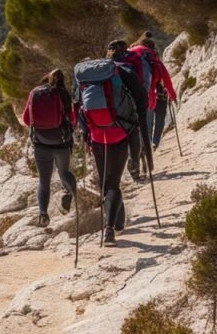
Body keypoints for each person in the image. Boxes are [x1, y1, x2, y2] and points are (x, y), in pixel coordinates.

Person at [74, 43, 150, 247]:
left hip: (97, 136)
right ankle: (110, 228)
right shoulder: (122, 72)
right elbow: (141, 96)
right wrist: (141, 118)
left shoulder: (84, 80)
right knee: (114, 182)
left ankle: (117, 223)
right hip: (120, 133)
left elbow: (78, 108)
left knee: (105, 184)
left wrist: (86, 134)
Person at [21, 70, 77, 228]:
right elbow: (72, 120)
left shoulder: (34, 93)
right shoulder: (63, 94)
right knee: (64, 172)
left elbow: (26, 119)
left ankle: (43, 215)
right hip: (61, 142)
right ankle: (73, 196)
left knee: (43, 181)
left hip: (40, 143)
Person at [128, 32, 178, 149]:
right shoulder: (151, 56)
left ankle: (144, 146)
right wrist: (173, 96)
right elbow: (166, 78)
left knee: (144, 122)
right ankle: (153, 143)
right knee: (155, 118)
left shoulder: (131, 53)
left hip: (130, 95)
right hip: (150, 93)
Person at [107, 40, 148, 182]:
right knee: (133, 134)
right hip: (126, 115)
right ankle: (134, 167)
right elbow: (140, 94)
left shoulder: (101, 73)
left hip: (105, 117)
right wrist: (142, 114)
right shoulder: (126, 69)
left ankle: (112, 176)